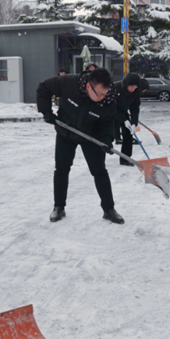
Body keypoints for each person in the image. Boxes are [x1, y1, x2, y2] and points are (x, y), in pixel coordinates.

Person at [36, 67, 125, 224]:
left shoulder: (109, 100)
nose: (103, 97)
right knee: (61, 170)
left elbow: (107, 122)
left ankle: (109, 209)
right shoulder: (69, 83)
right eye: (100, 94)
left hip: (92, 136)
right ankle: (59, 207)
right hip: (66, 132)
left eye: (106, 93)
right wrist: (46, 111)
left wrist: (106, 139)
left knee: (99, 171)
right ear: (89, 86)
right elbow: (44, 88)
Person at [114, 73, 142, 165]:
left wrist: (134, 123)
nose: (133, 89)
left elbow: (135, 107)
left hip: (123, 111)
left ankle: (125, 158)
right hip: (109, 112)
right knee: (107, 135)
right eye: (132, 86)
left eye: (135, 87)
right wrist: (123, 120)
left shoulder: (136, 92)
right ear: (126, 85)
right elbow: (111, 107)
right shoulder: (115, 88)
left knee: (128, 134)